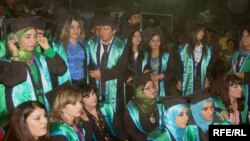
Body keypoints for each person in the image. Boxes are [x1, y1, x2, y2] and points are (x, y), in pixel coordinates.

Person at [2, 16, 67, 117]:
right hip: (22, 114)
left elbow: (61, 70)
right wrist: (15, 54)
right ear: (15, 38)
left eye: (35, 36)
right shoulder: (5, 61)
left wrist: (47, 48)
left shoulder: (38, 57)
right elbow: (15, 79)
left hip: (43, 108)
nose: (33, 41)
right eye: (28, 37)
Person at [87, 15, 129, 129]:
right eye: (100, 28)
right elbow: (88, 63)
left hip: (116, 91)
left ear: (113, 31)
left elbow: (122, 69)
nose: (101, 31)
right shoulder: (91, 43)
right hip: (95, 90)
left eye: (105, 29)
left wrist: (102, 74)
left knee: (116, 122)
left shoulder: (122, 46)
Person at [124, 74, 165, 141]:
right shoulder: (132, 108)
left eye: (153, 86)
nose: (152, 90)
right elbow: (132, 133)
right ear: (140, 90)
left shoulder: (159, 103)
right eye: (148, 88)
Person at [176, 23, 213, 96]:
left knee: (200, 100)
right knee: (188, 101)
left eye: (203, 31)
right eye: (200, 31)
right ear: (193, 32)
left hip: (200, 79)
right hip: (186, 79)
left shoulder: (207, 49)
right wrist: (179, 81)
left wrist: (207, 79)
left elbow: (209, 67)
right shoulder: (183, 49)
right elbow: (179, 66)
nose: (202, 33)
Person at [142, 27, 174, 97]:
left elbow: (172, 72)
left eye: (158, 40)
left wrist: (160, 76)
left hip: (163, 87)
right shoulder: (145, 55)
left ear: (160, 42)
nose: (155, 43)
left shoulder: (167, 55)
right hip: (149, 87)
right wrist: (145, 73)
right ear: (149, 43)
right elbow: (141, 71)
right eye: (153, 41)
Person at [228, 26, 250, 123]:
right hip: (236, 93)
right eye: (243, 36)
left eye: (248, 36)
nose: (244, 39)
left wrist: (244, 76)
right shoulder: (237, 54)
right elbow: (231, 69)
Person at [60, 14, 89, 86]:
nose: (76, 30)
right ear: (67, 28)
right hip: (68, 83)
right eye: (72, 27)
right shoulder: (60, 47)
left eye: (78, 27)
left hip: (83, 82)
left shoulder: (85, 46)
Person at [125, 29, 145, 103]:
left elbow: (147, 68)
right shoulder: (125, 52)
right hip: (129, 85)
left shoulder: (144, 53)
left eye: (139, 36)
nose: (138, 38)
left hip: (141, 85)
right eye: (135, 36)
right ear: (130, 38)